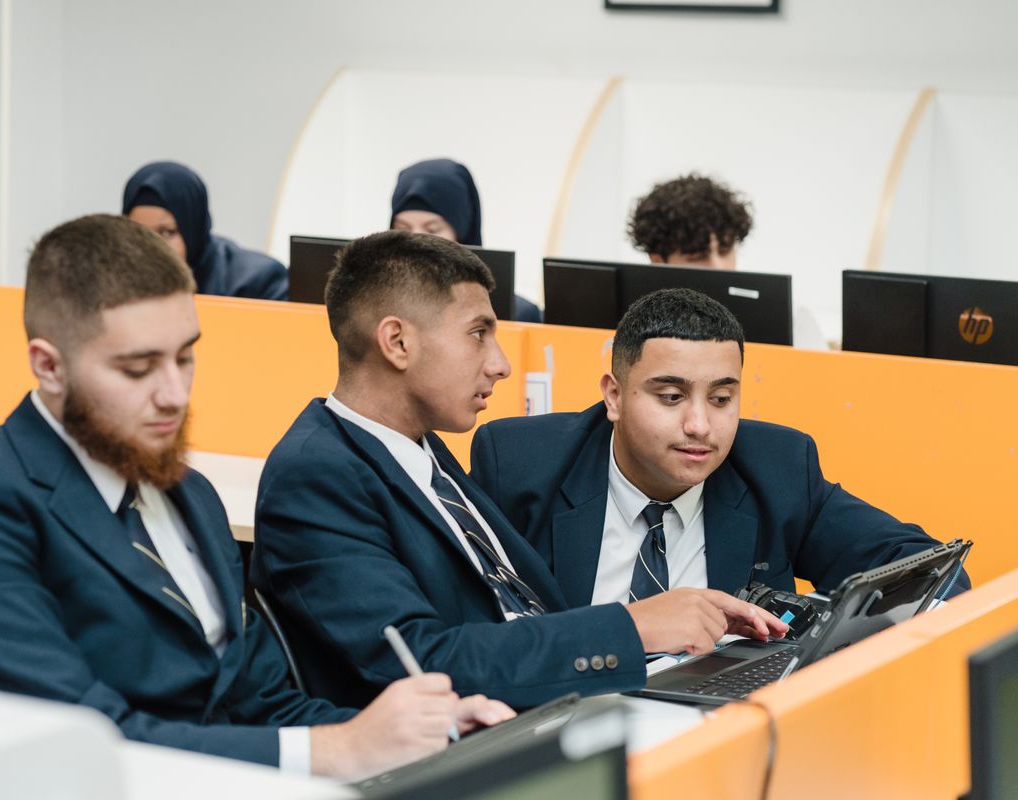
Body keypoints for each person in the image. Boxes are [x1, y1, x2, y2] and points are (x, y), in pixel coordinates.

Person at [0, 215, 513, 779]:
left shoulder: (189, 496)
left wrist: (423, 736)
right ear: (49, 366)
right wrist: (339, 751)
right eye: (137, 368)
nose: (173, 394)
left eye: (184, 359)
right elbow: (75, 747)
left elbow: (264, 705)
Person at [250, 231, 785, 711]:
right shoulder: (316, 476)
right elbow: (419, 661)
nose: (500, 364)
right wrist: (632, 628)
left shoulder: (424, 455)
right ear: (397, 342)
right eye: (478, 333)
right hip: (473, 746)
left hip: (557, 705)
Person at [470, 288, 970, 611]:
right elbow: (468, 622)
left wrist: (824, 630)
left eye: (721, 399)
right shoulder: (520, 464)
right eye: (671, 397)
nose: (700, 426)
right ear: (615, 396)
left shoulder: (778, 466)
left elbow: (928, 567)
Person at [628, 173, 827, 348]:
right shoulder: (632, 320)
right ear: (657, 260)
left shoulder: (791, 318)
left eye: (725, 251)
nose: (718, 266)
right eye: (698, 257)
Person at [390, 158, 543, 323]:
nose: (416, 242)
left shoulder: (519, 315)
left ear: (462, 235)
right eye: (403, 229)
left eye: (432, 230)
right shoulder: (375, 308)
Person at [123, 161, 288, 301]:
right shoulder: (117, 283)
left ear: (192, 230)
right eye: (139, 233)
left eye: (167, 233)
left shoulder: (258, 283)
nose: (151, 249)